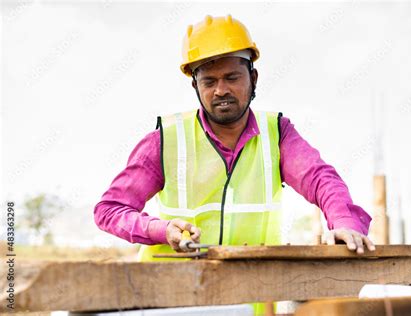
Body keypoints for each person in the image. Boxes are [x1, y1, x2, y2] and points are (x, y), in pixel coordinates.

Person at [94, 14, 375, 263]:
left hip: (254, 301)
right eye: (209, 81)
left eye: (232, 77)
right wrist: (160, 229)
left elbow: (320, 178)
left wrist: (345, 223)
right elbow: (109, 210)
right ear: (195, 85)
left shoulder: (277, 134)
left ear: (253, 77)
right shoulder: (165, 140)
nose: (220, 90)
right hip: (174, 302)